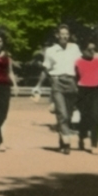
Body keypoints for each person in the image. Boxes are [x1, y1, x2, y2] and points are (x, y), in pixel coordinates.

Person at [43, 24, 82, 154]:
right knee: (62, 113)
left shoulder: (75, 48)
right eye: (62, 34)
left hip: (71, 82)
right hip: (57, 82)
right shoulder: (50, 50)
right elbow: (46, 68)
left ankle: (62, 139)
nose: (64, 36)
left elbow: (80, 65)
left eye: (67, 33)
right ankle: (67, 143)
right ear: (57, 35)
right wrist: (39, 85)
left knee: (69, 115)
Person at [75, 42, 98, 152]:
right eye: (89, 49)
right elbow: (76, 77)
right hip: (84, 91)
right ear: (83, 50)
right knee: (85, 116)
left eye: (94, 49)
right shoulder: (78, 62)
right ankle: (82, 137)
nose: (92, 51)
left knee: (96, 117)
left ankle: (94, 143)